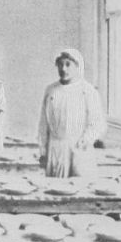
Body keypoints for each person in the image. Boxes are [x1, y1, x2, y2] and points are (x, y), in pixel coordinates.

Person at [37, 48, 106, 177]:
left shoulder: (88, 91)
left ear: (77, 66)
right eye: (60, 64)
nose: (63, 69)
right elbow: (43, 123)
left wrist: (86, 140)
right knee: (56, 186)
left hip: (79, 149)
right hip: (56, 149)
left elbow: (97, 123)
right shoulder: (51, 90)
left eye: (68, 64)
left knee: (80, 184)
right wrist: (43, 151)